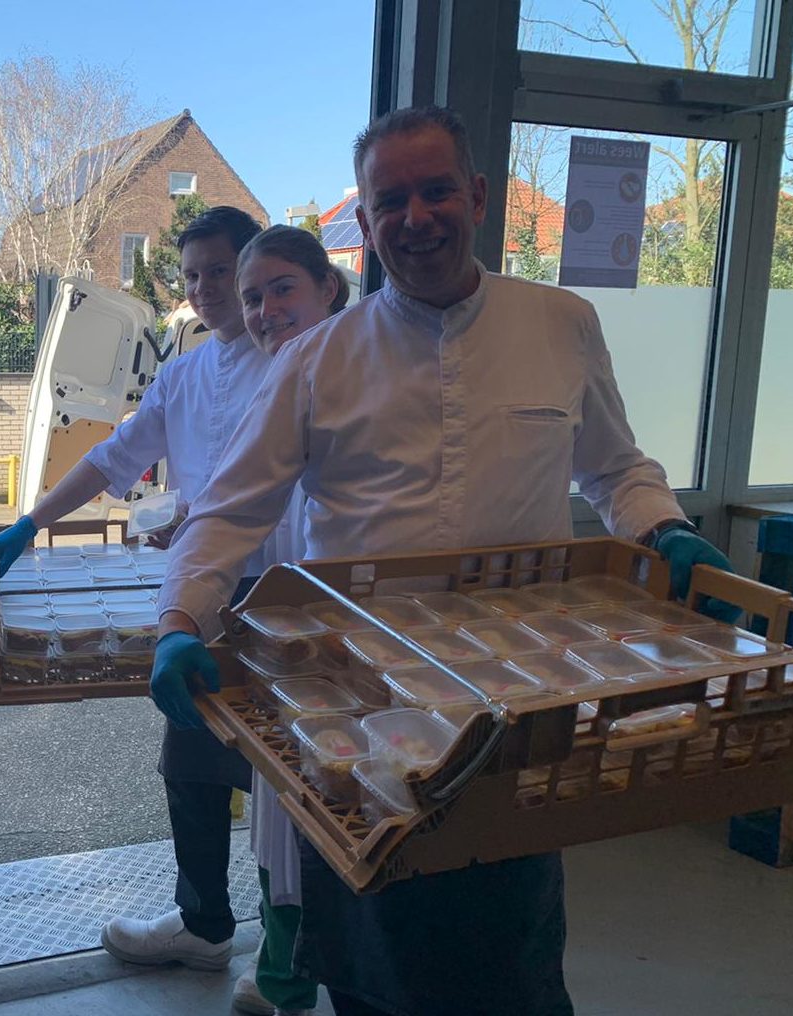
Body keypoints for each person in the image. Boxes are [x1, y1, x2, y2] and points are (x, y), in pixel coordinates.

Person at [149, 106, 736, 1016]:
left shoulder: (560, 323)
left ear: (476, 196)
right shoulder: (316, 359)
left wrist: (663, 529)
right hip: (355, 700)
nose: (415, 217)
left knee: (513, 936)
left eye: (434, 192)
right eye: (391, 201)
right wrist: (181, 619)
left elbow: (615, 465)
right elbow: (232, 510)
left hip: (521, 693)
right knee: (372, 948)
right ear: (367, 223)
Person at [0, 207, 305, 979]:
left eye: (221, 272)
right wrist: (31, 522)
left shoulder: (301, 362)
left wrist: (197, 511)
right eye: (192, 276)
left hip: (288, 590)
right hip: (200, 600)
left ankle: (294, 947)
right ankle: (204, 923)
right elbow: (114, 457)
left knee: (286, 784)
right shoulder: (186, 373)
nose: (209, 290)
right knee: (191, 762)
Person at [224, 225, 349, 1016]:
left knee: (336, 811)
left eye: (282, 290)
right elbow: (248, 510)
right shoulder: (274, 380)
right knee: (283, 813)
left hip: (354, 637)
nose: (266, 310)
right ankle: (286, 970)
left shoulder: (360, 371)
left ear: (328, 287)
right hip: (282, 629)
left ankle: (298, 973)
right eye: (254, 297)